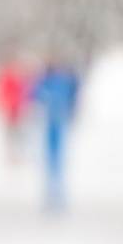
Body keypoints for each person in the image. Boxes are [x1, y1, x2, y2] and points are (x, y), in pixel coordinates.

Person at [29, 57, 81, 212]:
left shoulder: (56, 82)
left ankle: (55, 193)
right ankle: (53, 193)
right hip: (52, 122)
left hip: (55, 121)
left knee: (54, 160)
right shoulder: (52, 82)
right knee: (52, 159)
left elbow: (36, 96)